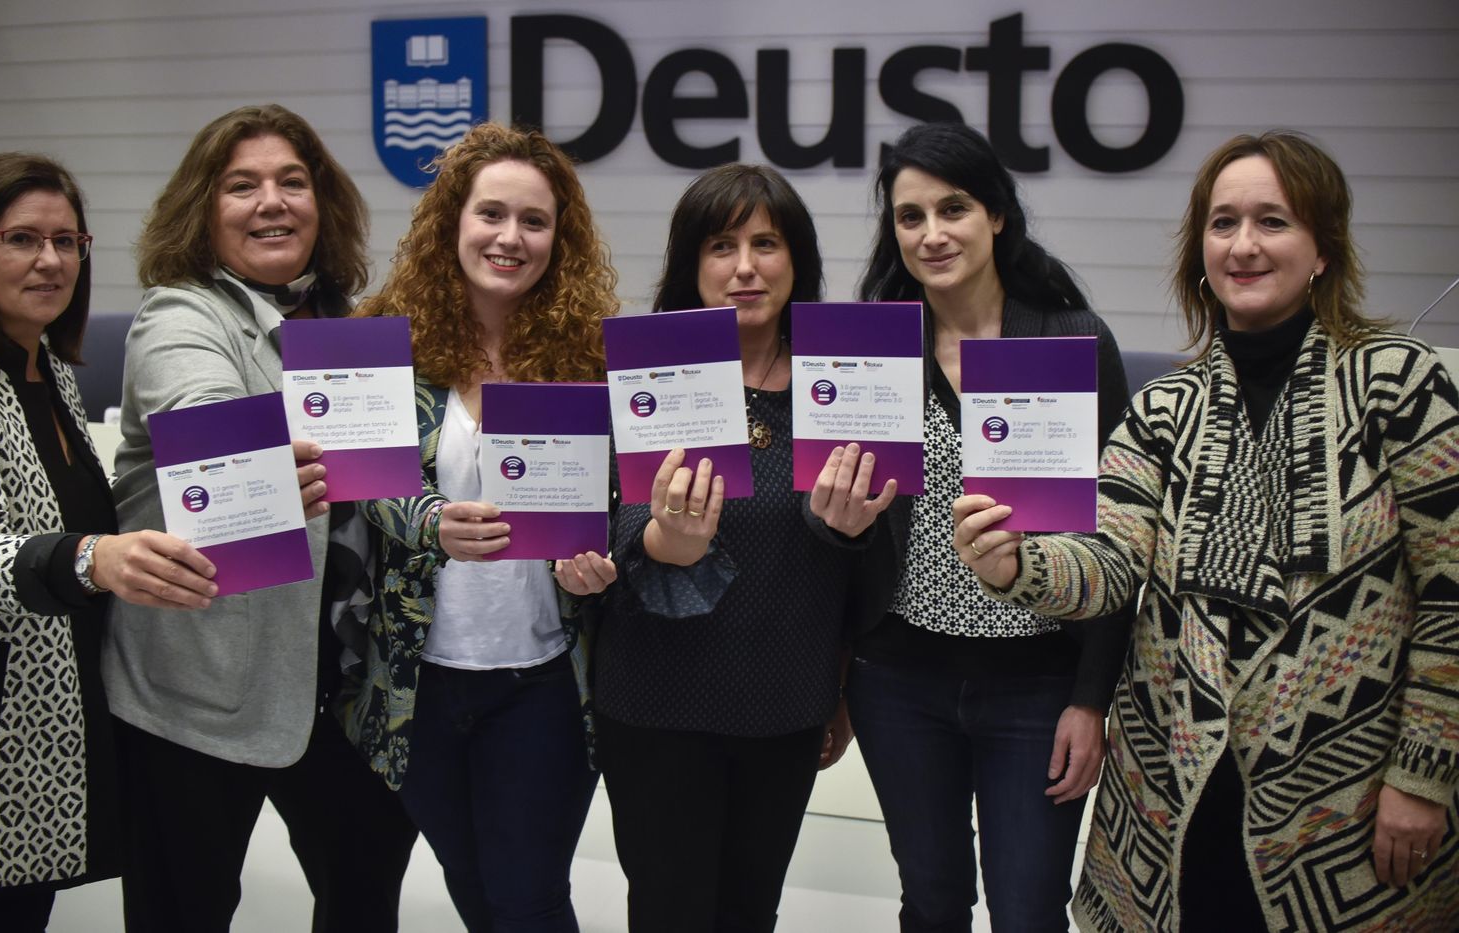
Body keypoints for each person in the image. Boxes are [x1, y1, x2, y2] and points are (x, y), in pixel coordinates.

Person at [954, 130, 1459, 931]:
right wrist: (1019, 562)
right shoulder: (1166, 406)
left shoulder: (1398, 383)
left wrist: (1424, 774)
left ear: (1322, 248)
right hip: (1172, 804)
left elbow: (1450, 596)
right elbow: (1111, 561)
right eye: (1223, 223)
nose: (1245, 245)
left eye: (1273, 221)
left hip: (1350, 810)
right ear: (1200, 250)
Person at [0, 153, 218, 933]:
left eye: (67, 240)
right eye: (21, 238)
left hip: (30, 734)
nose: (50, 260)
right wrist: (98, 558)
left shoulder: (41, 367)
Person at [102, 104, 419, 933]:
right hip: (202, 691)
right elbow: (199, 414)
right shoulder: (179, 314)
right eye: (242, 186)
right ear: (204, 211)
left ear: (324, 204)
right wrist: (270, 457)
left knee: (363, 903)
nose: (272, 201)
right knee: (184, 914)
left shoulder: (347, 321)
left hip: (344, 690)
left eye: (293, 181)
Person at [847, 121, 1132, 932]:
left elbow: (1119, 540)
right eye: (910, 216)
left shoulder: (1071, 340)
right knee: (932, 900)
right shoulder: (871, 351)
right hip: (898, 679)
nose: (932, 233)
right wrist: (833, 523)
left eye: (955, 207)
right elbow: (839, 531)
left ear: (998, 214)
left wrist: (1090, 697)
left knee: (1028, 907)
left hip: (1039, 684)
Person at [593, 163, 890, 933]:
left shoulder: (847, 379)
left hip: (786, 702)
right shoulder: (655, 372)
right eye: (722, 245)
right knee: (667, 912)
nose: (747, 266)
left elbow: (873, 553)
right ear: (692, 263)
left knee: (750, 912)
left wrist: (847, 682)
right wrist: (668, 538)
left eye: (768, 243)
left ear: (799, 260)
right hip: (657, 702)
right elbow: (616, 525)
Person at [342, 122, 620, 933]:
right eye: (490, 213)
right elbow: (365, 484)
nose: (510, 237)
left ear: (558, 238)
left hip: (541, 677)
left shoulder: (591, 356)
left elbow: (614, 506)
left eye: (534, 221)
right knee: (471, 882)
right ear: (451, 221)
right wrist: (430, 521)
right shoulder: (382, 341)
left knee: (528, 897)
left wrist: (596, 559)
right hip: (415, 680)